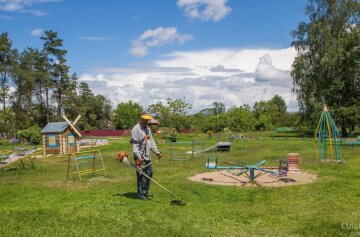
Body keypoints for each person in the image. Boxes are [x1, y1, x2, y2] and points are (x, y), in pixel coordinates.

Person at [131, 112, 162, 200]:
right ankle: (141, 194)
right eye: (144, 119)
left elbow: (151, 142)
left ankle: (145, 192)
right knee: (141, 175)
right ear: (140, 119)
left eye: (147, 119)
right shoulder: (136, 129)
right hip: (140, 157)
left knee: (149, 173)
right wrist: (138, 157)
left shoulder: (148, 129)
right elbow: (135, 145)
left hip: (148, 156)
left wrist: (157, 152)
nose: (146, 121)